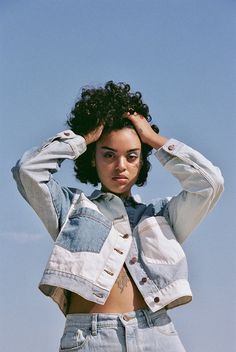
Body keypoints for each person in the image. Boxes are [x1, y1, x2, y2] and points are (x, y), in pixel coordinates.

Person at [12, 81, 224, 351]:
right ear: (93, 158)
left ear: (141, 160)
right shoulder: (72, 208)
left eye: (132, 156)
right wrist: (82, 139)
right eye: (109, 154)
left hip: (158, 334)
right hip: (91, 338)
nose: (120, 166)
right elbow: (28, 171)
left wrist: (155, 141)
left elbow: (210, 183)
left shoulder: (161, 215)